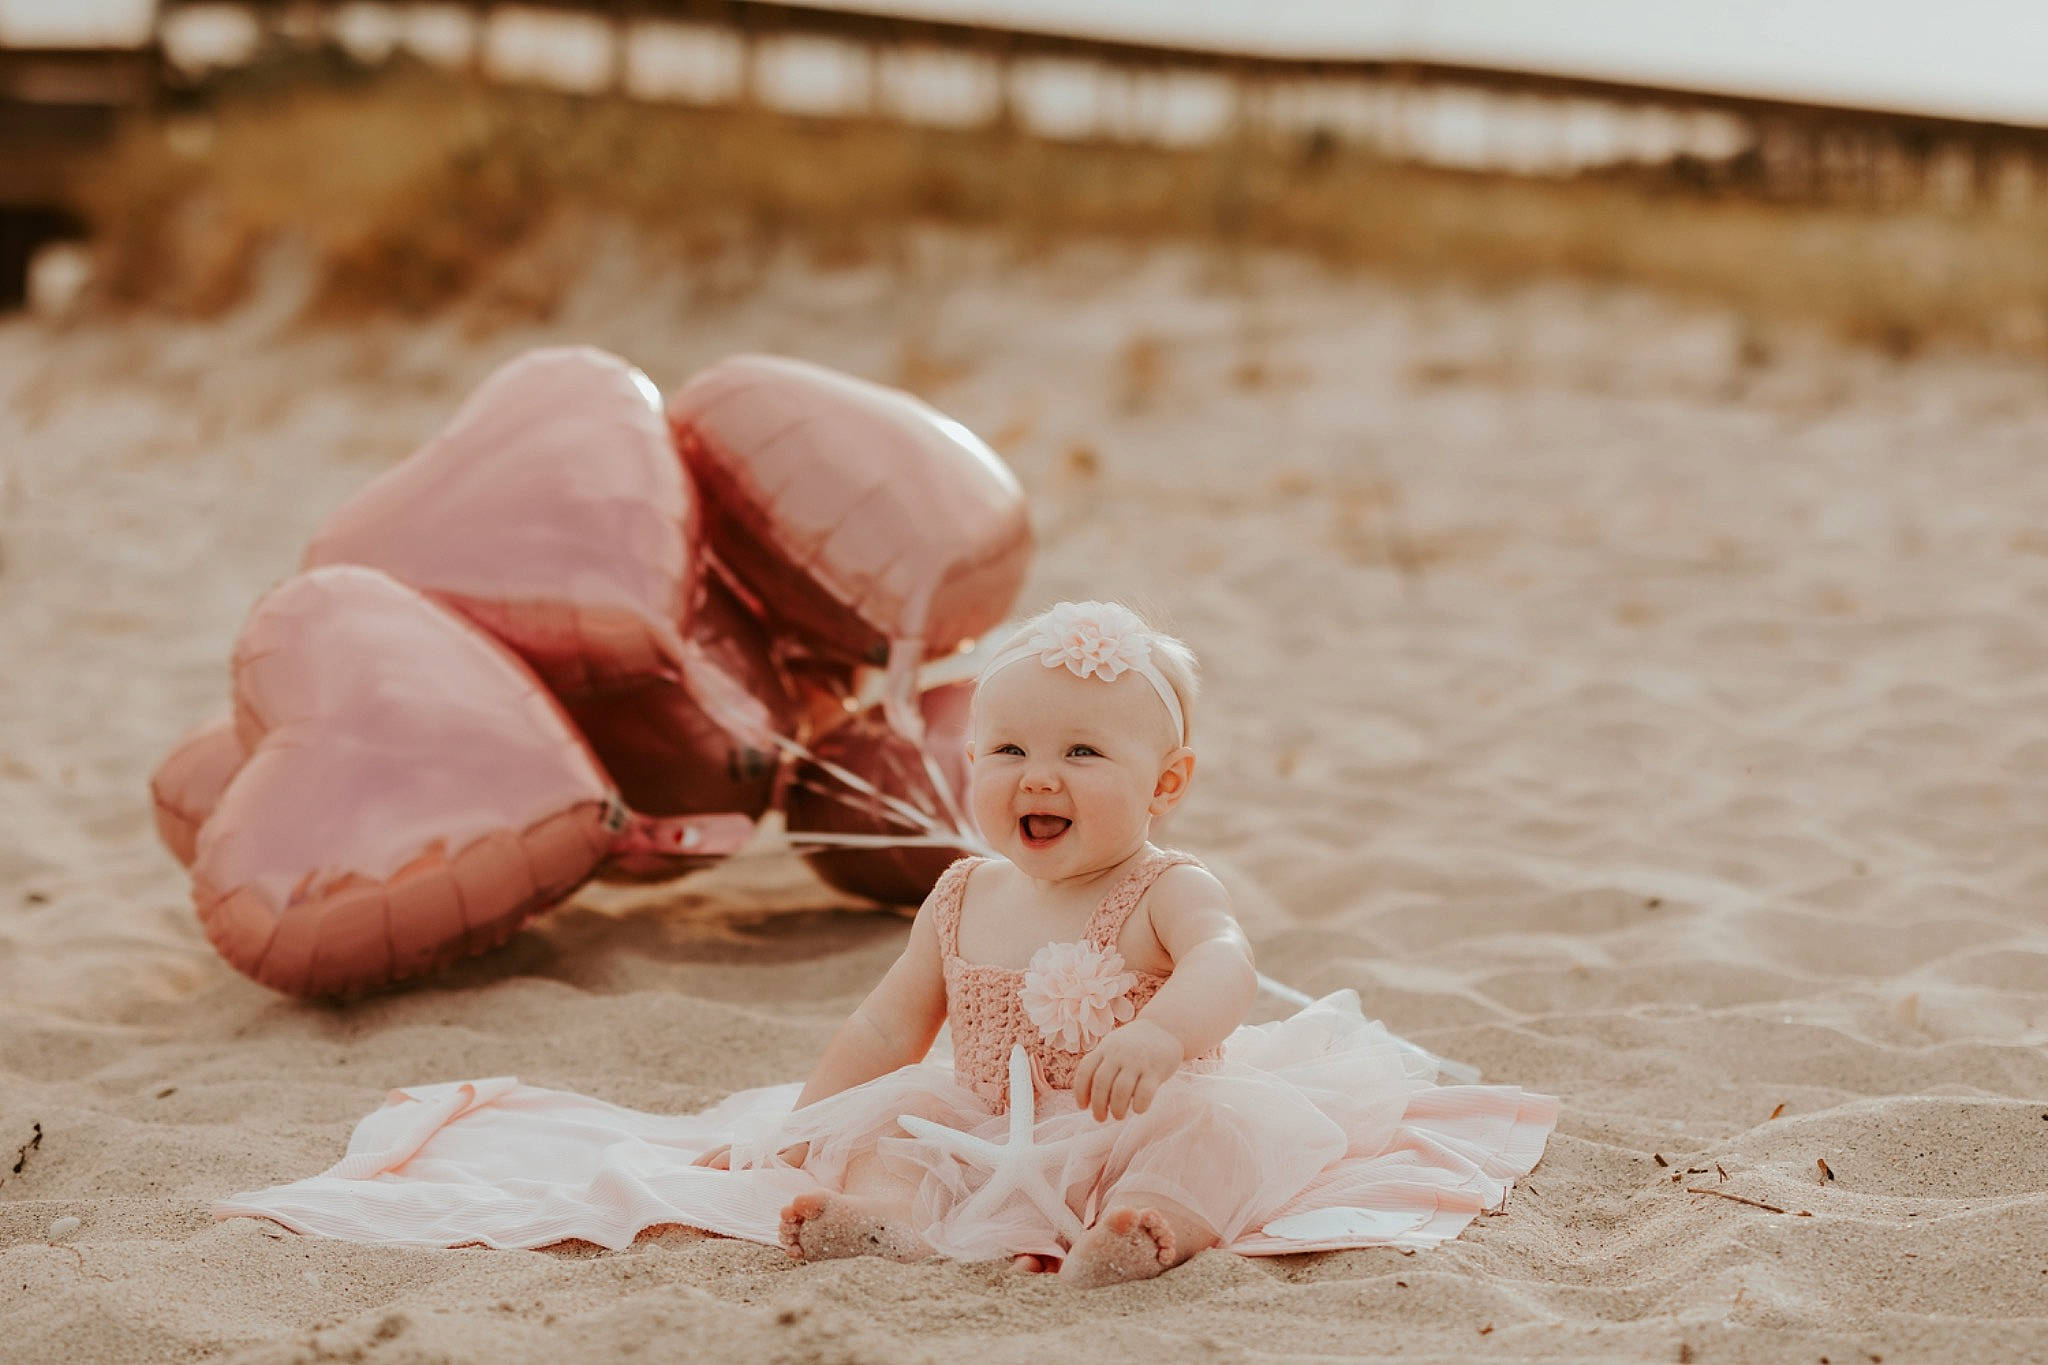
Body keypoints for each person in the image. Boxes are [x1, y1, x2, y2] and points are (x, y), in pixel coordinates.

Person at [215, 601, 1556, 1287]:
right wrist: (816, 1112)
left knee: (1211, 1139)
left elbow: (1230, 967)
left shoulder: (1163, 884)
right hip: (979, 1108)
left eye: (1083, 751)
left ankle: (1153, 1232)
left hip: (1134, 1103)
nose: (1038, 772)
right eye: (1007, 747)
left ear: (1167, 782)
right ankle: (879, 1222)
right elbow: (885, 1027)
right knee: (891, 1135)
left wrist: (1156, 1035)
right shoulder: (965, 892)